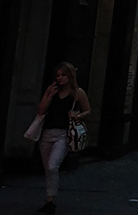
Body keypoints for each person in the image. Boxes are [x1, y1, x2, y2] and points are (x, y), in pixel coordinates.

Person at [36, 62, 90, 213]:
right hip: (47, 132)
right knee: (48, 167)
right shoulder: (52, 90)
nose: (60, 78)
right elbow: (41, 110)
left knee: (53, 165)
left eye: (63, 75)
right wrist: (49, 96)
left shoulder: (77, 93)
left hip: (63, 134)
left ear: (70, 76)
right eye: (58, 75)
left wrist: (77, 115)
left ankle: (50, 199)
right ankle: (50, 199)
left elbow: (87, 110)